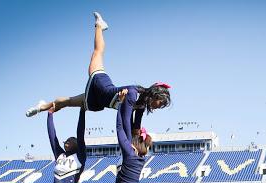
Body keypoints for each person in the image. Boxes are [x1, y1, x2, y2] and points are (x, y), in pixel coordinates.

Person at [26, 12, 170, 119]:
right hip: (100, 84)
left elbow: (134, 125)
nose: (159, 106)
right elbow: (127, 118)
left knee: (69, 101)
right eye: (160, 103)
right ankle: (99, 26)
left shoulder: (140, 106)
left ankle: (42, 106)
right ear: (154, 94)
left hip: (98, 101)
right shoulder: (133, 92)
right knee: (97, 52)